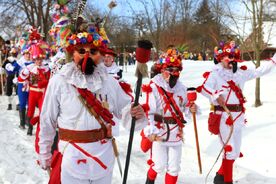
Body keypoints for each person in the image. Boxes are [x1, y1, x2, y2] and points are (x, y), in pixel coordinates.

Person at [37, 10, 146, 184]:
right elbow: (47, 119)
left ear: (101, 54)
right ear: (73, 53)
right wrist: (44, 152)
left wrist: (134, 112)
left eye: (93, 51)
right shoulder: (60, 81)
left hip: (103, 157)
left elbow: (125, 107)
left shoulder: (109, 81)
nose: (86, 56)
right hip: (72, 155)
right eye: (81, 51)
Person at [197, 41, 276, 184]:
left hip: (238, 116)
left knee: (234, 151)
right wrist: (216, 95)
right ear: (220, 58)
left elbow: (260, 71)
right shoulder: (215, 74)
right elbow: (204, 88)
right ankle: (227, 180)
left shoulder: (241, 73)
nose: (231, 59)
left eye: (233, 56)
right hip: (223, 116)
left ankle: (220, 176)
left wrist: (274, 60)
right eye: (228, 56)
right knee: (230, 149)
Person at [141, 48, 198, 184]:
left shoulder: (182, 88)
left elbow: (185, 107)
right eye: (170, 69)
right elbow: (148, 110)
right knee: (159, 165)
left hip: (175, 132)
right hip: (159, 131)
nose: (174, 73)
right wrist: (151, 130)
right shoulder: (154, 86)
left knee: (174, 168)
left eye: (177, 70)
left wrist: (192, 108)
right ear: (162, 70)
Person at [17, 49, 33, 129]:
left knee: (30, 103)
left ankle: (27, 120)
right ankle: (22, 123)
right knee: (22, 103)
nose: (28, 55)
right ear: (23, 54)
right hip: (22, 85)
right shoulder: (20, 62)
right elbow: (13, 69)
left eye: (29, 54)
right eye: (26, 54)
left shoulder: (34, 63)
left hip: (31, 85)